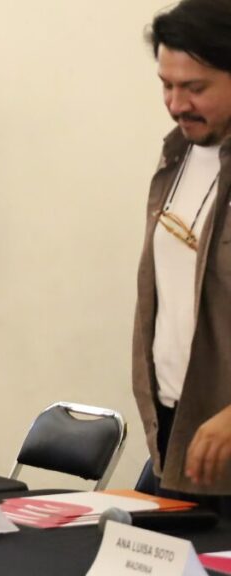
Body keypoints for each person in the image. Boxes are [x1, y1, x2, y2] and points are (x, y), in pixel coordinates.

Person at [133, 0, 231, 516]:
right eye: (166, 85)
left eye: (194, 88)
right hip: (179, 427)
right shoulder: (179, 153)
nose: (176, 104)